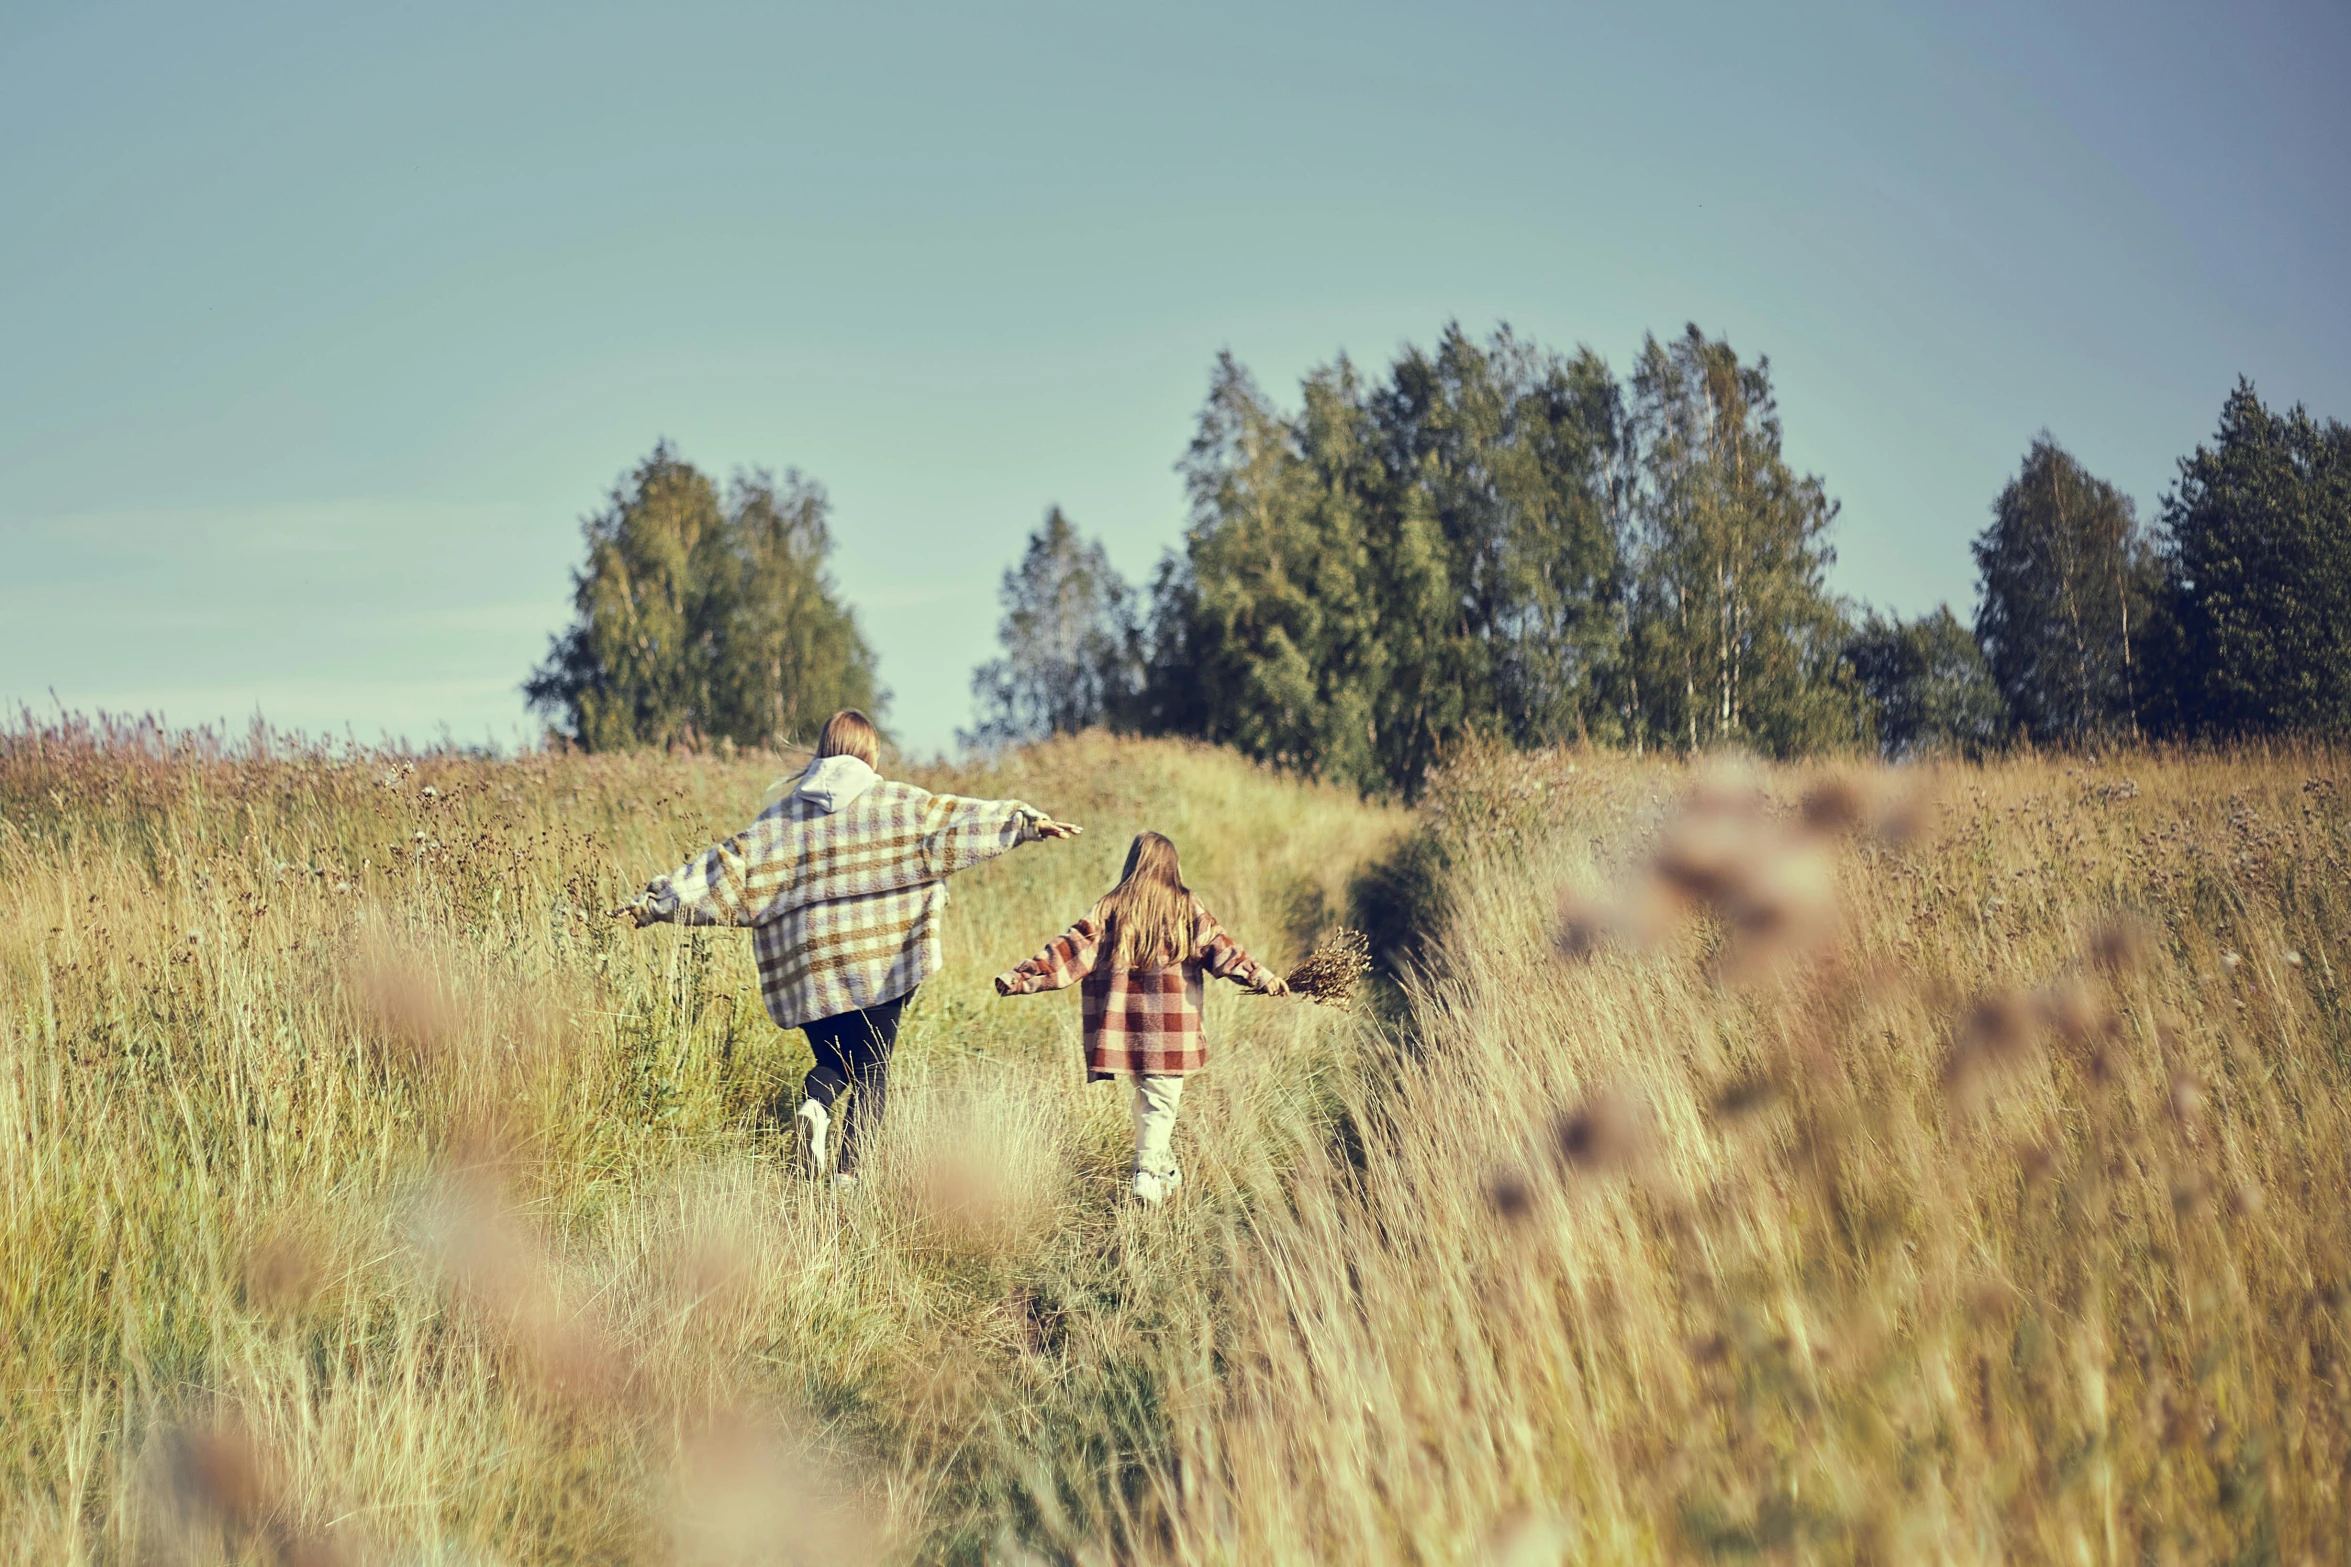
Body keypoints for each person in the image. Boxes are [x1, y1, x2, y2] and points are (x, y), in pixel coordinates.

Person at [618, 709, 1080, 1187]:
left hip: (812, 972)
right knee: (873, 1070)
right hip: (881, 963)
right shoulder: (899, 803)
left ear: (823, 748)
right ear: (869, 751)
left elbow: (728, 870)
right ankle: (848, 1178)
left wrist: (656, 903)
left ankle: (816, 1106)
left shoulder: (780, 819)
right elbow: (960, 822)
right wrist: (1023, 823)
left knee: (836, 1060)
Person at [993, 831, 1285, 1206]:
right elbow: (1223, 950)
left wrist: (1022, 976)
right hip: (1172, 1033)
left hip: (1125, 1030)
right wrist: (1263, 978)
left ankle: (1165, 1173)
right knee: (1160, 1105)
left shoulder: (1111, 906)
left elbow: (1070, 950)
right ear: (1171, 865)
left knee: (1150, 1102)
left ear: (1133, 862)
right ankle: (1147, 1175)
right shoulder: (1185, 905)